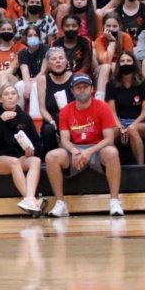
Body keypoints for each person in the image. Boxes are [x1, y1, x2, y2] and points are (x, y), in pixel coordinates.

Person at [45, 73, 124, 217]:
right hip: (75, 148)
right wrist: (74, 151)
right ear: (72, 91)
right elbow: (64, 139)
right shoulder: (66, 111)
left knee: (112, 152)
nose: (82, 90)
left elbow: (109, 138)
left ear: (92, 89)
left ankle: (114, 201)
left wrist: (89, 151)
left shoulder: (102, 107)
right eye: (78, 87)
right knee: (51, 156)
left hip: (97, 148)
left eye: (85, 87)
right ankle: (60, 203)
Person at [0, 83, 46, 215]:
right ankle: (31, 200)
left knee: (35, 161)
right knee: (14, 162)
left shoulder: (25, 117)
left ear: (18, 98)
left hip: (19, 156)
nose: (10, 97)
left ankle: (29, 200)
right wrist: (0, 121)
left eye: (13, 94)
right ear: (0, 99)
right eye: (6, 94)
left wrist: (32, 151)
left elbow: (37, 142)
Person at [106, 52, 145, 164]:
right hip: (119, 121)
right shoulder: (111, 84)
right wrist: (120, 126)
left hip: (141, 122)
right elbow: (112, 111)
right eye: (122, 61)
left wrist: (132, 125)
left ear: (134, 63)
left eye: (128, 61)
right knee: (109, 132)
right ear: (118, 65)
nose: (125, 63)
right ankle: (112, 165)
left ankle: (141, 167)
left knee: (132, 130)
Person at [37, 47, 75, 153]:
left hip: (73, 119)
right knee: (48, 129)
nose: (57, 61)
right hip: (52, 119)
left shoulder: (75, 78)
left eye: (60, 58)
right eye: (53, 59)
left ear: (66, 61)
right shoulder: (42, 80)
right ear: (48, 63)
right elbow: (42, 109)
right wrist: (53, 122)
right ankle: (51, 159)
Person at [94, 12, 134, 95]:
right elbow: (105, 61)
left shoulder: (125, 37)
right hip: (104, 68)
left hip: (123, 65)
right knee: (106, 67)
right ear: (103, 27)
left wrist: (114, 64)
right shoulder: (99, 40)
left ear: (120, 27)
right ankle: (100, 97)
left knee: (112, 66)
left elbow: (128, 59)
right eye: (108, 26)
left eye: (115, 26)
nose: (111, 29)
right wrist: (112, 41)